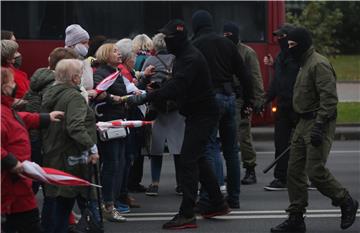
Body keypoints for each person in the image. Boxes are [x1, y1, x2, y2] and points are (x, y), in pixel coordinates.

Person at [126, 19, 230, 230]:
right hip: (197, 113)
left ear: (178, 39)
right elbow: (177, 86)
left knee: (188, 161)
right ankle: (217, 203)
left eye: (168, 38)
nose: (165, 41)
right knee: (197, 158)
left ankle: (187, 214)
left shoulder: (189, 58)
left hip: (202, 114)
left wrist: (148, 95)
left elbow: (176, 87)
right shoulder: (184, 55)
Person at [271, 26, 359, 233]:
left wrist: (319, 126)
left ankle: (346, 201)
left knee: (315, 171)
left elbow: (329, 100)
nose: (288, 48)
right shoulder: (303, 63)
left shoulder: (318, 64)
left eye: (292, 44)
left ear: (302, 44)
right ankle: (296, 218)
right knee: (294, 173)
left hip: (319, 123)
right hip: (303, 123)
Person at [191, 10, 253, 209]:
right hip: (229, 98)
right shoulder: (227, 43)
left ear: (196, 25)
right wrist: (248, 102)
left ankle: (213, 197)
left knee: (210, 147)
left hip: (209, 99)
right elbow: (244, 75)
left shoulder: (195, 45)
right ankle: (234, 198)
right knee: (231, 150)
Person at [1, 67, 64, 233]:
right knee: (29, 223)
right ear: (4, 87)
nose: (14, 84)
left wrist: (45, 118)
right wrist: (12, 162)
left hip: (16, 180)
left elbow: (20, 118)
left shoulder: (6, 109)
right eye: (11, 82)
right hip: (12, 181)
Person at [40, 59, 100, 233]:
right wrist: (92, 147)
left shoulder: (51, 92)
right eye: (80, 74)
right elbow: (75, 126)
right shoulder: (74, 96)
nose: (82, 76)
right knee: (76, 201)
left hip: (55, 153)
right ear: (74, 78)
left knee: (60, 204)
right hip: (72, 157)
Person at [142, 33, 184, 197]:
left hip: (157, 108)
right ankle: (181, 184)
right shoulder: (178, 59)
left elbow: (145, 84)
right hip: (176, 108)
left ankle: (154, 183)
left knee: (156, 148)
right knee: (178, 147)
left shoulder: (150, 61)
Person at [223, 21, 265, 185]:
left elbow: (255, 77)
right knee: (227, 137)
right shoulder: (224, 50)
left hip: (242, 98)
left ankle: (250, 169)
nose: (227, 38)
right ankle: (232, 170)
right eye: (225, 35)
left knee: (243, 135)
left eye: (229, 35)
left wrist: (258, 100)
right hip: (227, 95)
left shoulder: (247, 53)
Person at [92, 43, 128, 221]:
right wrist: (113, 98)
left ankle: (111, 203)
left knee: (119, 164)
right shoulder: (102, 73)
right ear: (106, 55)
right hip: (108, 124)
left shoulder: (116, 72)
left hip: (119, 122)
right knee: (112, 164)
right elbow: (97, 94)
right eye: (114, 51)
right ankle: (108, 204)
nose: (119, 53)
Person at [263, 24, 300, 191]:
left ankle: (310, 175)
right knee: (281, 143)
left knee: (303, 145)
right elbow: (277, 82)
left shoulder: (300, 57)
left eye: (281, 36)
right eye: (277, 37)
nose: (278, 39)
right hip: (284, 106)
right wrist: (265, 100)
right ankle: (281, 177)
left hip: (299, 107)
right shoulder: (280, 57)